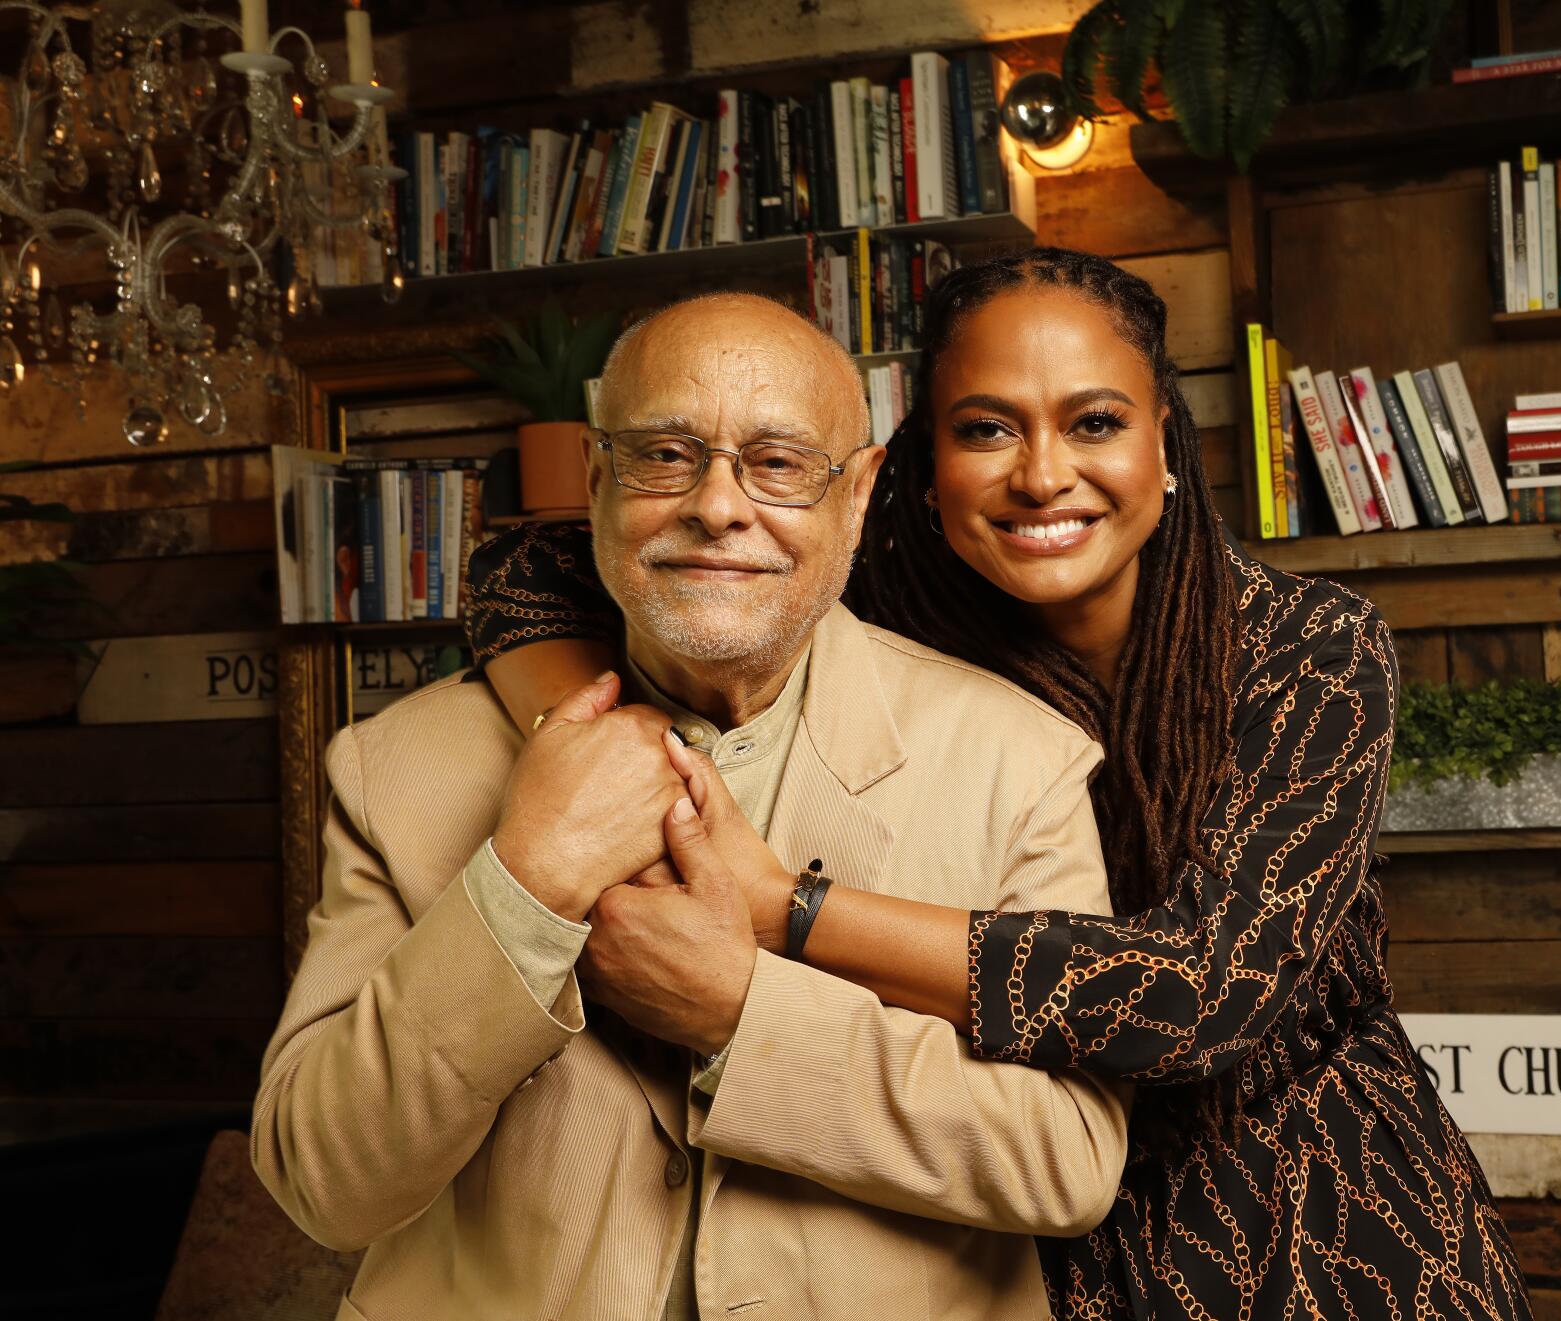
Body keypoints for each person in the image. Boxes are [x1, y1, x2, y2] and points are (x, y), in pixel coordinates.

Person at [468, 248, 1533, 1319]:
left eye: (1094, 422)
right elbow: (523, 573)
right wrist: (619, 768)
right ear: (920, 466)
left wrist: (780, 907)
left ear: (1164, 439)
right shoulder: (882, 622)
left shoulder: (1309, 648)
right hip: (1031, 1208)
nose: (1040, 474)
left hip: (1318, 1209)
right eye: (985, 428)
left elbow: (1198, 995)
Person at [251, 293, 1130, 1321]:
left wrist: (741, 1017)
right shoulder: (394, 767)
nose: (718, 505)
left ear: (856, 497)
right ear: (593, 481)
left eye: (780, 461)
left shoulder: (1019, 759)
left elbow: (1067, 1159)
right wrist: (521, 887)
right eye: (666, 454)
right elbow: (323, 1182)